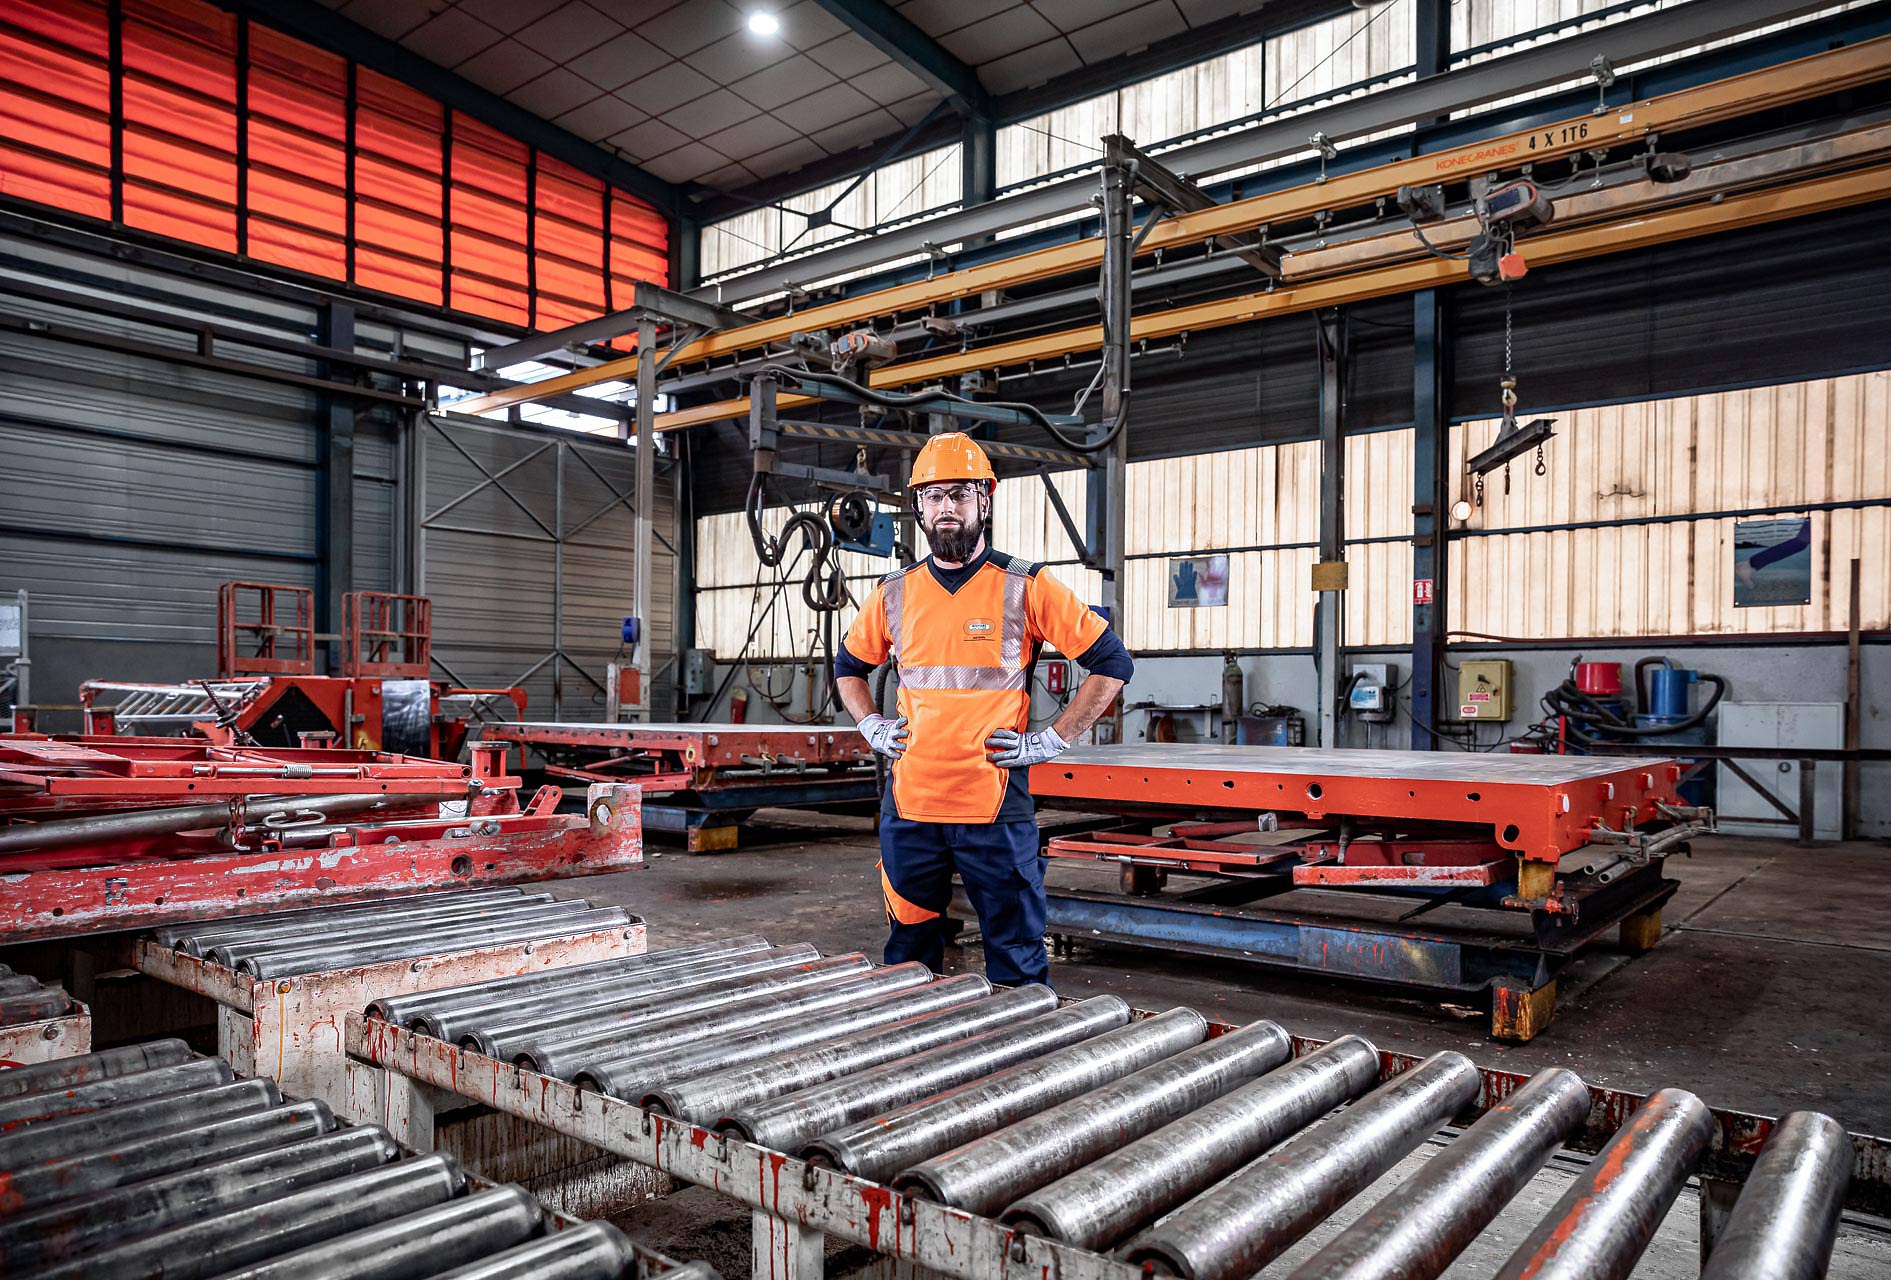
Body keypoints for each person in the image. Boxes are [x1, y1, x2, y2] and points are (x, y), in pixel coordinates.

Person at [833, 432, 1134, 986]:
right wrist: (871, 725)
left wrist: (1050, 741)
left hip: (994, 808)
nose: (947, 507)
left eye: (961, 495)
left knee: (1016, 957)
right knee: (908, 960)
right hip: (911, 810)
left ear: (985, 502)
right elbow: (847, 669)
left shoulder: (1026, 585)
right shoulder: (894, 593)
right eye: (934, 496)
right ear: (920, 508)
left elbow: (1113, 664)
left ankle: (1024, 1060)